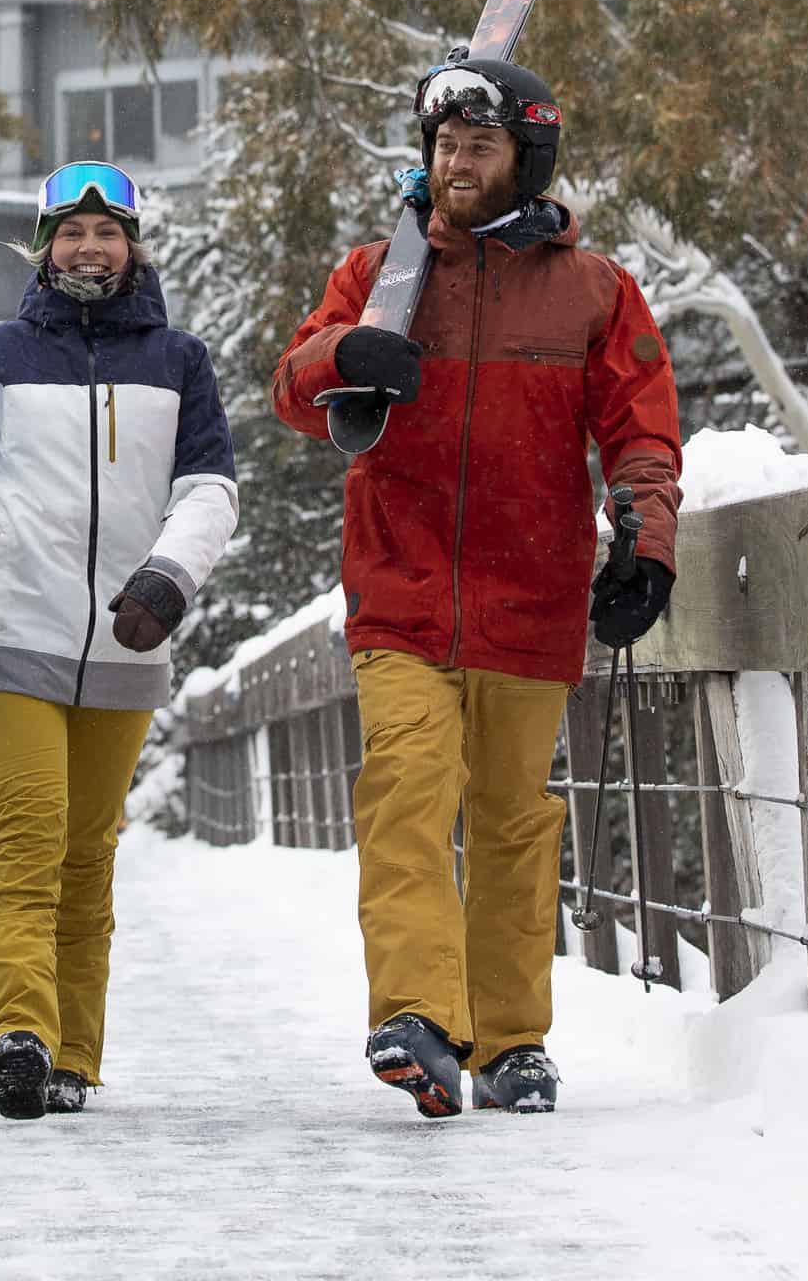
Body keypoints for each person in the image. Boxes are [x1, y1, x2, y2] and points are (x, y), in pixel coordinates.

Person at [271, 58, 682, 1118]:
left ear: (526, 158)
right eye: (446, 144)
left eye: (481, 146)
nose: (458, 162)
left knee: (511, 821)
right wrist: (343, 352)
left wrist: (647, 544)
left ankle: (511, 1043)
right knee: (407, 792)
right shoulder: (378, 273)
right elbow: (291, 387)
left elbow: (641, 429)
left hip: (532, 597)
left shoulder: (595, 290)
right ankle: (417, 1017)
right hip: (399, 590)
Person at [0, 161, 237, 1119]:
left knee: (87, 858)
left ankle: (72, 1056)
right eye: (71, 233)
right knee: (27, 837)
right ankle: (13, 1035)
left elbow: (209, 490)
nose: (90, 248)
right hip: (7, 635)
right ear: (43, 248)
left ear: (134, 247)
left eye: (108, 232)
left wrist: (168, 578)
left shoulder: (180, 362)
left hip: (130, 640)